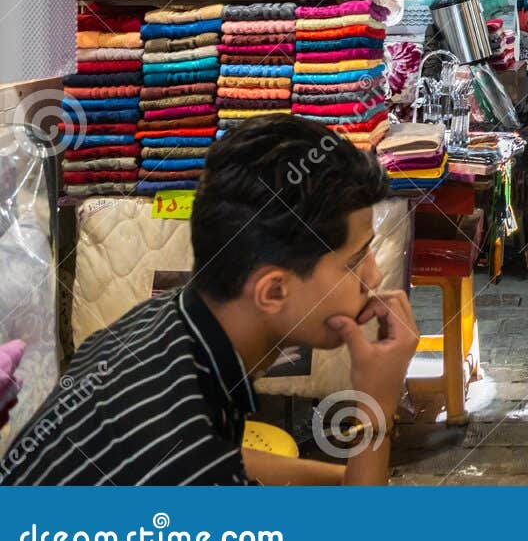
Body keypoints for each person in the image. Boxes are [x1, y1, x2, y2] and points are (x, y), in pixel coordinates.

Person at [0, 117, 416, 486]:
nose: (375, 278)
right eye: (356, 261)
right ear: (272, 291)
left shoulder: (162, 319)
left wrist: (348, 479)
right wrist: (376, 407)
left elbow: (231, 458)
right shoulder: (184, 459)